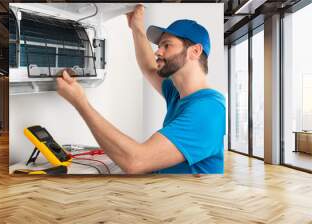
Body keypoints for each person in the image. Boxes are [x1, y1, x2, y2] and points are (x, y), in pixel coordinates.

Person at [56, 5, 226, 174]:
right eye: (159, 46)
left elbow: (136, 161)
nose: (157, 52)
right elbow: (150, 68)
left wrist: (80, 102)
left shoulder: (207, 110)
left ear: (195, 51)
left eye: (167, 45)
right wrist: (136, 26)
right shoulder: (178, 93)